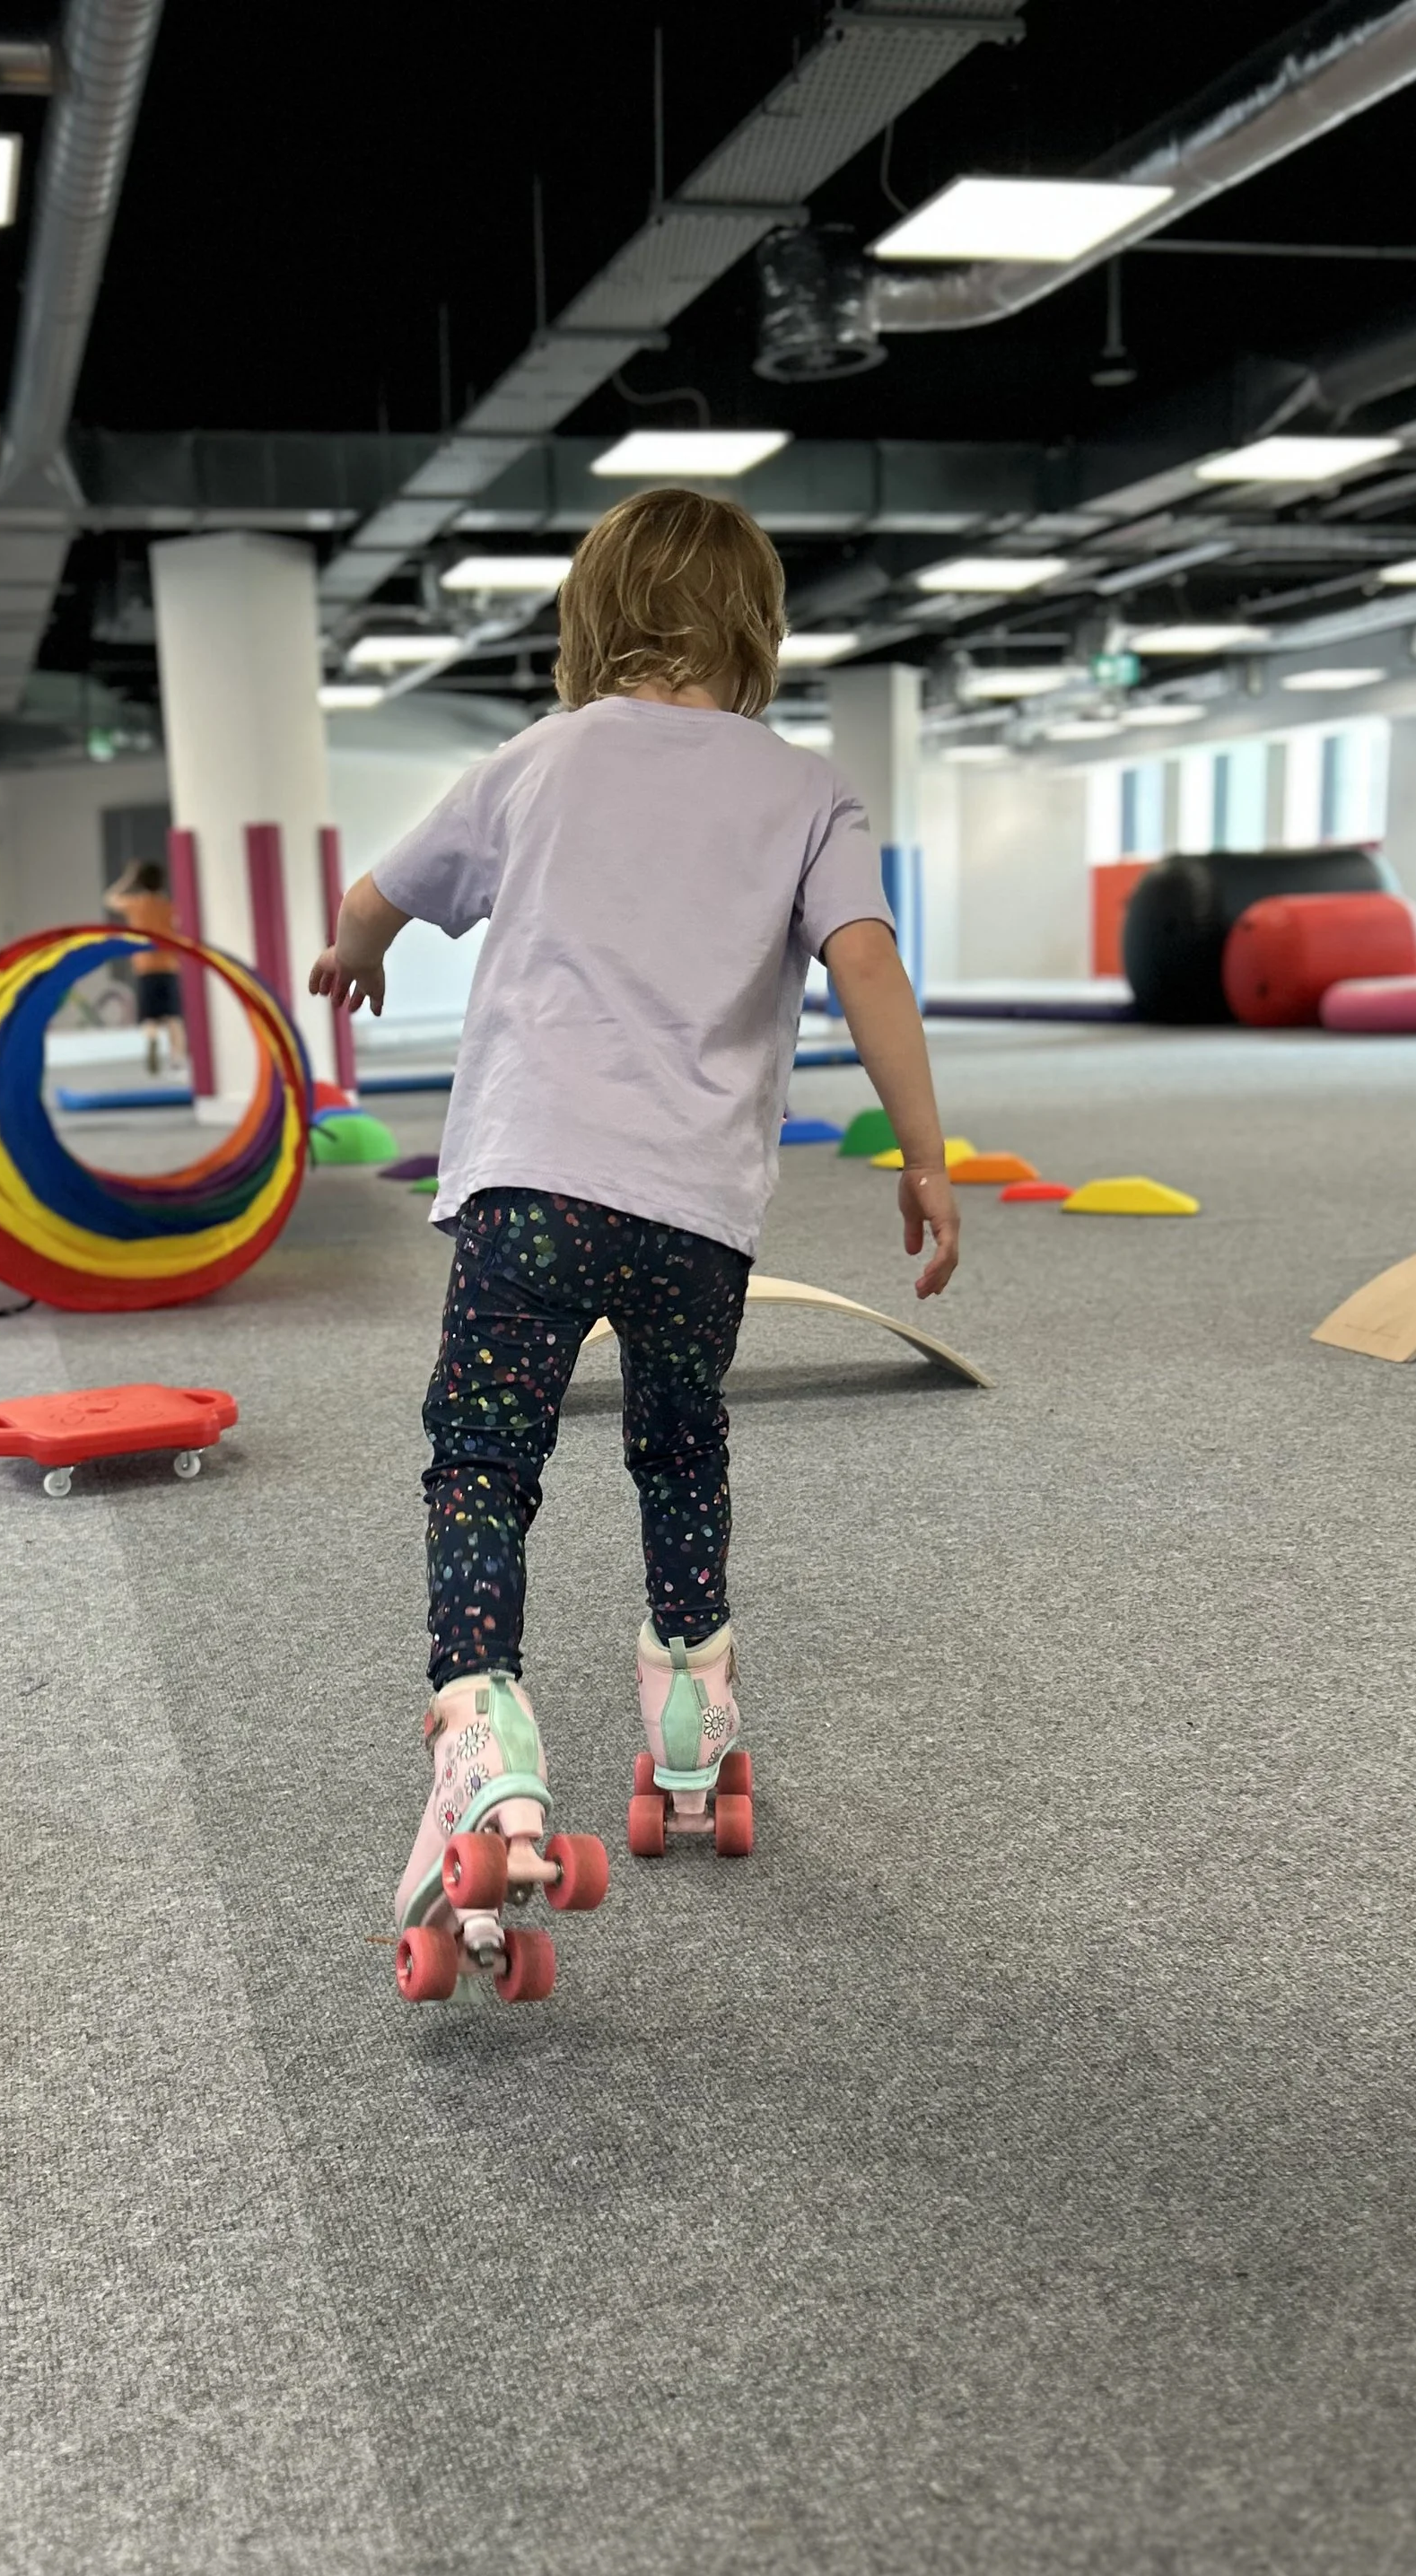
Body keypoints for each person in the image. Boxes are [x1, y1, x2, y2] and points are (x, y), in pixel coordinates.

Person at [307, 484, 961, 1954]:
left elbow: (378, 896)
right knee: (679, 1449)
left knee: (483, 1462)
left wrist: (351, 957)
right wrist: (924, 1154)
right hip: (692, 1217)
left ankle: (485, 1732)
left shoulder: (533, 762)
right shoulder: (809, 792)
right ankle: (686, 1720)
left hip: (529, 1187)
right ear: (760, 633)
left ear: (590, 627)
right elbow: (870, 969)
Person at [101, 853, 185, 1073]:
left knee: (150, 1018)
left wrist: (128, 877)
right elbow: (180, 926)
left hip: (145, 967)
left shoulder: (136, 904)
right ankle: (177, 1058)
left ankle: (152, 1040)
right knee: (174, 1017)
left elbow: (109, 898)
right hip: (168, 965)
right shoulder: (168, 906)